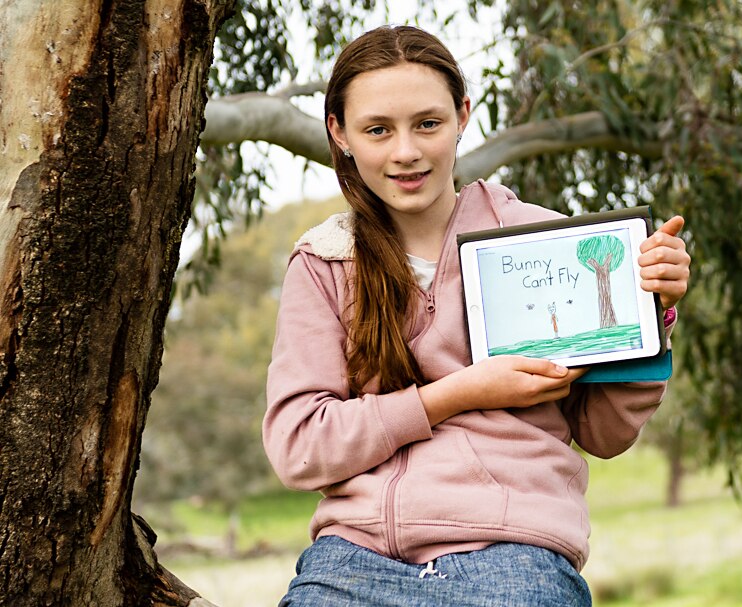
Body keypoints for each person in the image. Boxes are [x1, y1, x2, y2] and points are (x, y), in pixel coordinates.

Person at [263, 24, 691, 607]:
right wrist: (457, 393)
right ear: (339, 133)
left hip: (514, 552)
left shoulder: (545, 244)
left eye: (428, 123)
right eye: (378, 129)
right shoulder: (324, 263)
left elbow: (604, 432)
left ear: (463, 115)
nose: (406, 151)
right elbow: (300, 445)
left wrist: (651, 314)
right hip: (353, 561)